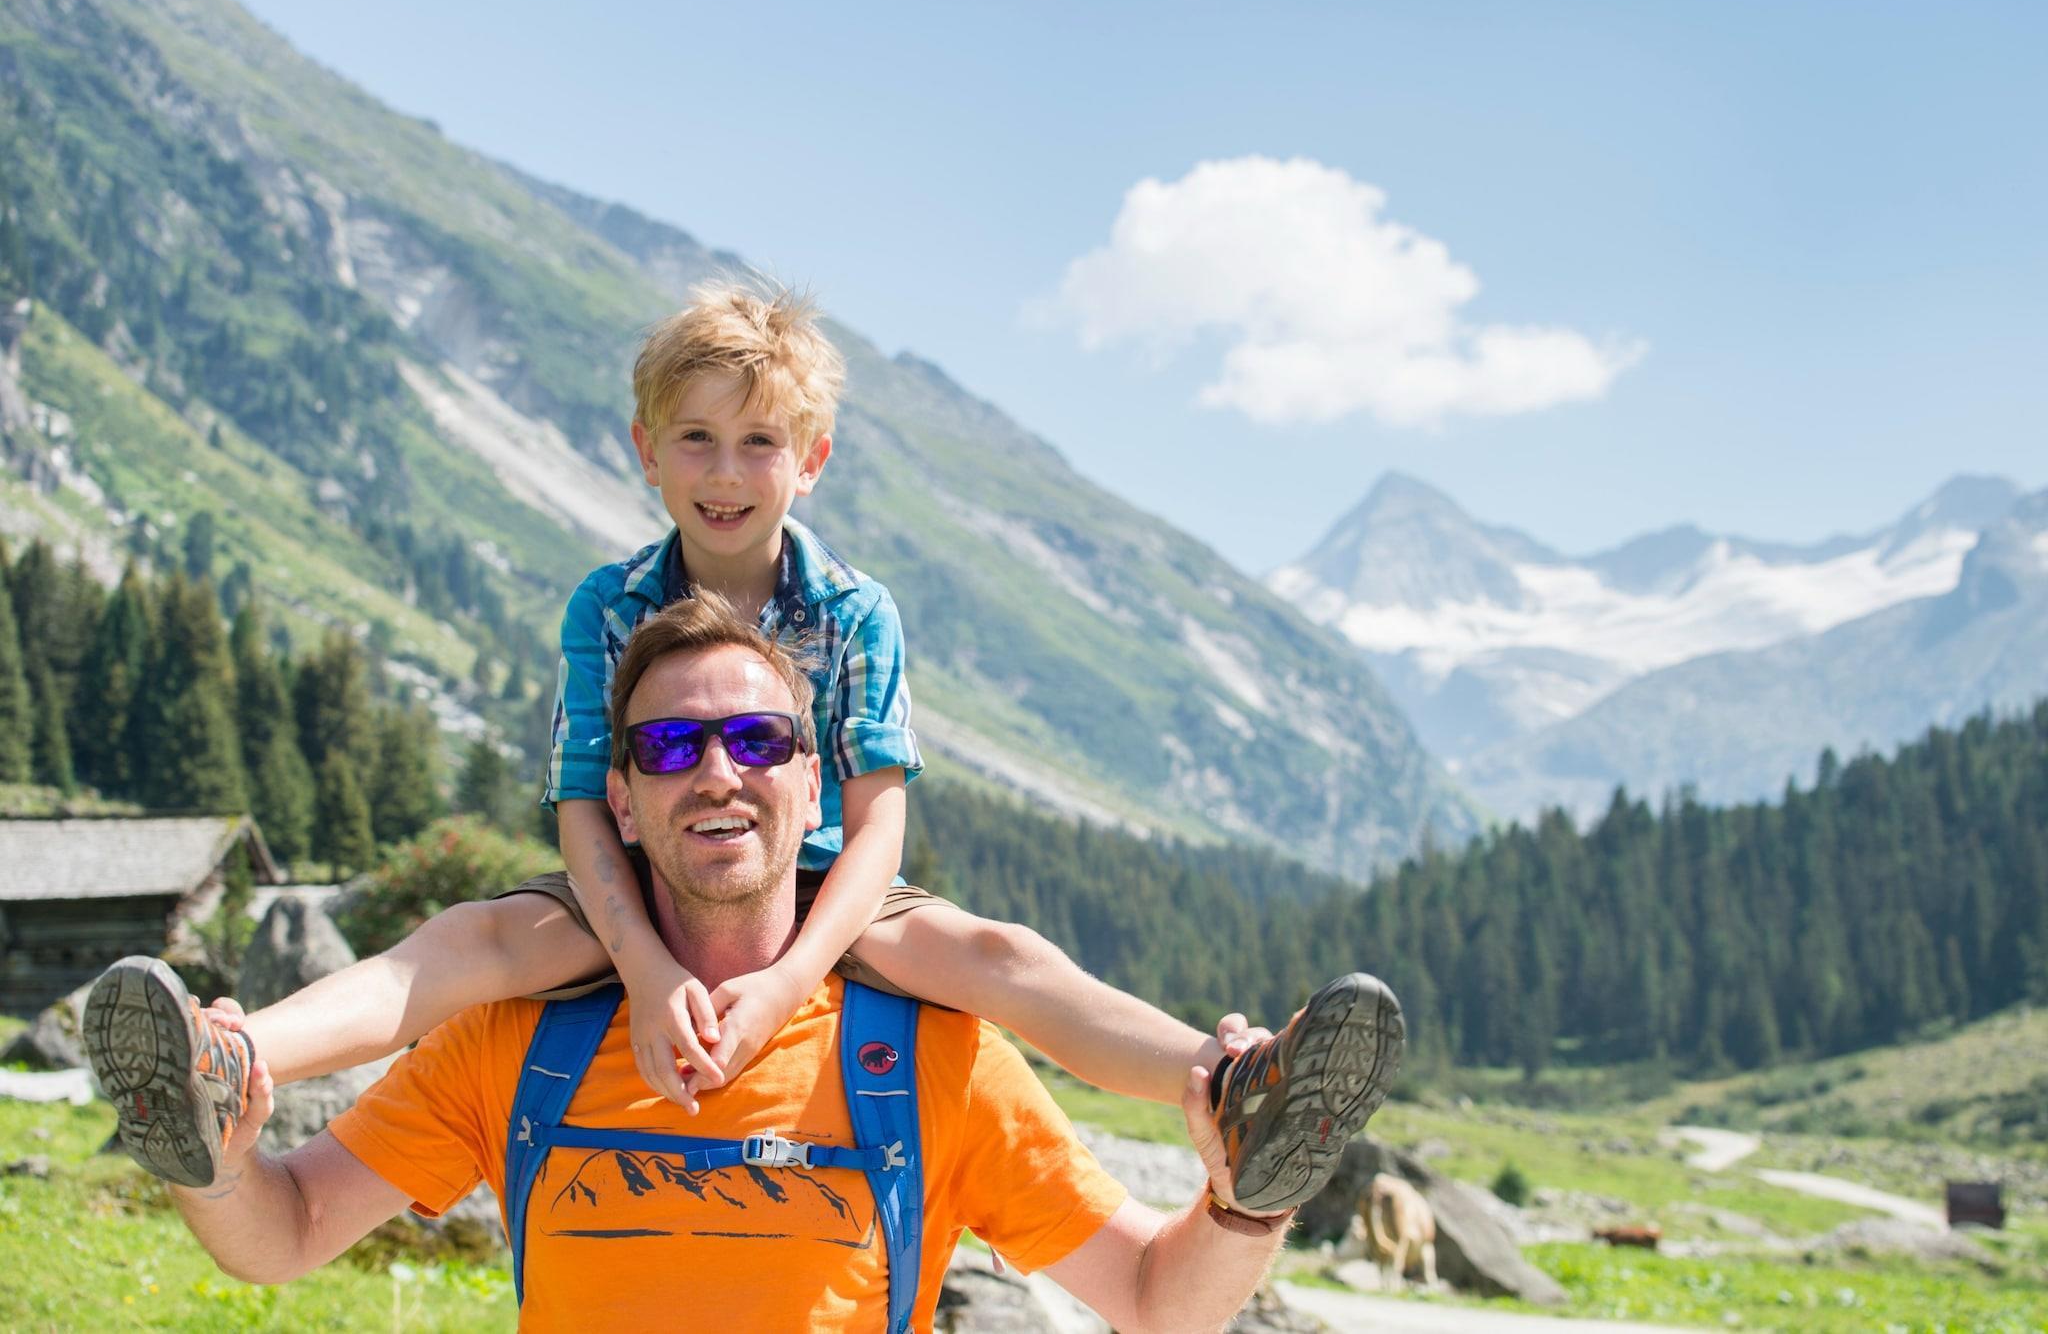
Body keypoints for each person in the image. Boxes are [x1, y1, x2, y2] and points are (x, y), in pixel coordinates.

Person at [85, 281, 1403, 1219]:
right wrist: (648, 965)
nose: (727, 470)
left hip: (820, 890)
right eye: (698, 439)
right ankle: (225, 1061)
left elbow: (876, 822)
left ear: (809, 459)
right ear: (646, 451)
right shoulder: (606, 605)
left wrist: (785, 983)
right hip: (639, 876)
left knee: (999, 960)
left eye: (759, 441)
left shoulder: (856, 611)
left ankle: (1235, 1086)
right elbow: (584, 807)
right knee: (474, 943)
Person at [157, 596, 1343, 1330]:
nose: (717, 772)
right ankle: (212, 1067)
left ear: (812, 785)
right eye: (670, 746)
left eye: (759, 739)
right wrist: (213, 1167)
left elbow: (1153, 1300)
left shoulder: (926, 1058)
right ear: (621, 801)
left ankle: (1238, 1089)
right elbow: (287, 1232)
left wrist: (1243, 1205)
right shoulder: (513, 1039)